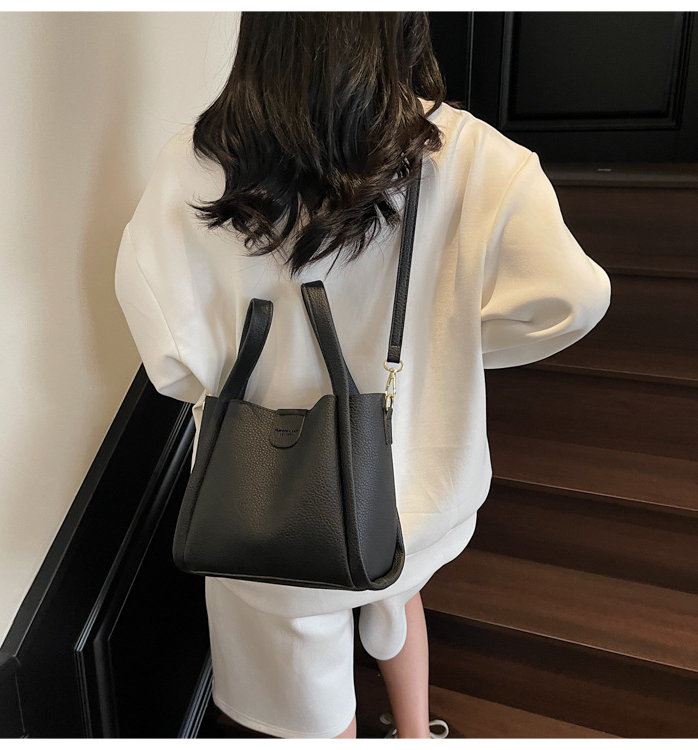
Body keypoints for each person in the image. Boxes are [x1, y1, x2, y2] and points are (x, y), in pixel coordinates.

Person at [114, 12, 611, 740]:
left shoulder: (195, 163)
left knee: (307, 697)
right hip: (412, 486)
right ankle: (415, 733)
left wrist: (224, 386)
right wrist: (454, 345)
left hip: (263, 507)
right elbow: (576, 297)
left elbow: (165, 350)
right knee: (394, 590)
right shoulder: (473, 155)